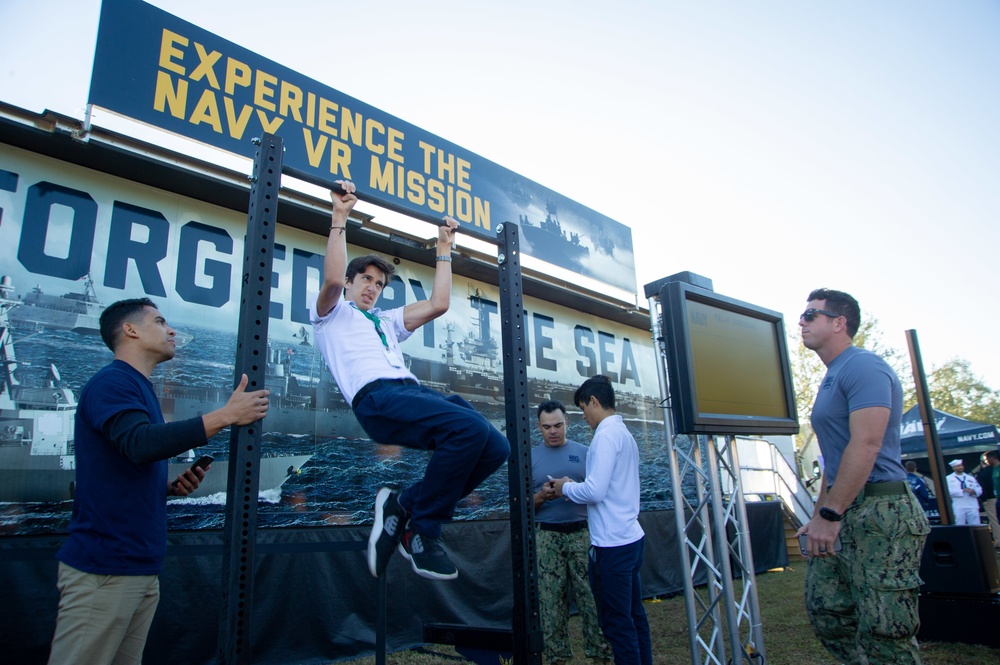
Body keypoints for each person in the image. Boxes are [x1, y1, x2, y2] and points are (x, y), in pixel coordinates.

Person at [48, 298, 270, 665]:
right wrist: (226, 416)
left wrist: (165, 490)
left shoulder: (138, 388)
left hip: (137, 569)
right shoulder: (113, 383)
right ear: (130, 330)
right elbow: (139, 444)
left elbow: (121, 462)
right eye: (160, 321)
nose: (171, 331)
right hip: (104, 570)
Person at [310, 180, 509, 581]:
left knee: (495, 447)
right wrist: (339, 218)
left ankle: (405, 504)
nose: (372, 288)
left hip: (409, 392)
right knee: (468, 429)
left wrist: (444, 248)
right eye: (365, 279)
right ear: (352, 283)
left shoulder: (385, 321)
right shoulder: (332, 315)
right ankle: (421, 531)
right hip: (377, 399)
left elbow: (439, 304)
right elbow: (331, 282)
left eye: (379, 283)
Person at [794, 288, 929, 665]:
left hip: (882, 511)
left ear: (839, 323)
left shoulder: (863, 366)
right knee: (830, 613)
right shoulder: (831, 376)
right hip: (844, 509)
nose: (800, 322)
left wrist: (831, 514)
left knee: (886, 633)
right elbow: (833, 457)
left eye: (810, 314)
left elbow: (866, 445)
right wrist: (820, 513)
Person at [548, 375, 652, 665]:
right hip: (630, 537)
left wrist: (564, 487)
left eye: (583, 409)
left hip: (613, 545)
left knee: (617, 625)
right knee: (634, 617)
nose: (583, 417)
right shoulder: (623, 434)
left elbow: (595, 490)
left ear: (594, 401)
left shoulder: (605, 436)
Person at [532, 400, 613, 665]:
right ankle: (557, 658)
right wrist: (542, 496)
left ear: (567, 422)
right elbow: (520, 505)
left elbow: (601, 493)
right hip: (547, 537)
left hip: (583, 535)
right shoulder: (528, 457)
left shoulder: (587, 453)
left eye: (557, 425)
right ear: (538, 427)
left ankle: (600, 654)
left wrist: (573, 490)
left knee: (592, 598)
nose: (553, 431)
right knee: (551, 602)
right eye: (546, 427)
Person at [974, 451, 1000, 548]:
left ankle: (998, 541)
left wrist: (983, 499)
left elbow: (982, 488)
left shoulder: (984, 473)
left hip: (990, 499)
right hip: (995, 498)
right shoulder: (994, 470)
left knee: (995, 521)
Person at [946, 459, 982, 525]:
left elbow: (979, 489)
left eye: (961, 465)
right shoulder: (948, 478)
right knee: (959, 524)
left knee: (975, 524)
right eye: (957, 466)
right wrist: (962, 491)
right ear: (953, 468)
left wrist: (974, 492)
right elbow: (948, 492)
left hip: (972, 505)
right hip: (959, 505)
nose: (960, 467)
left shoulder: (970, 478)